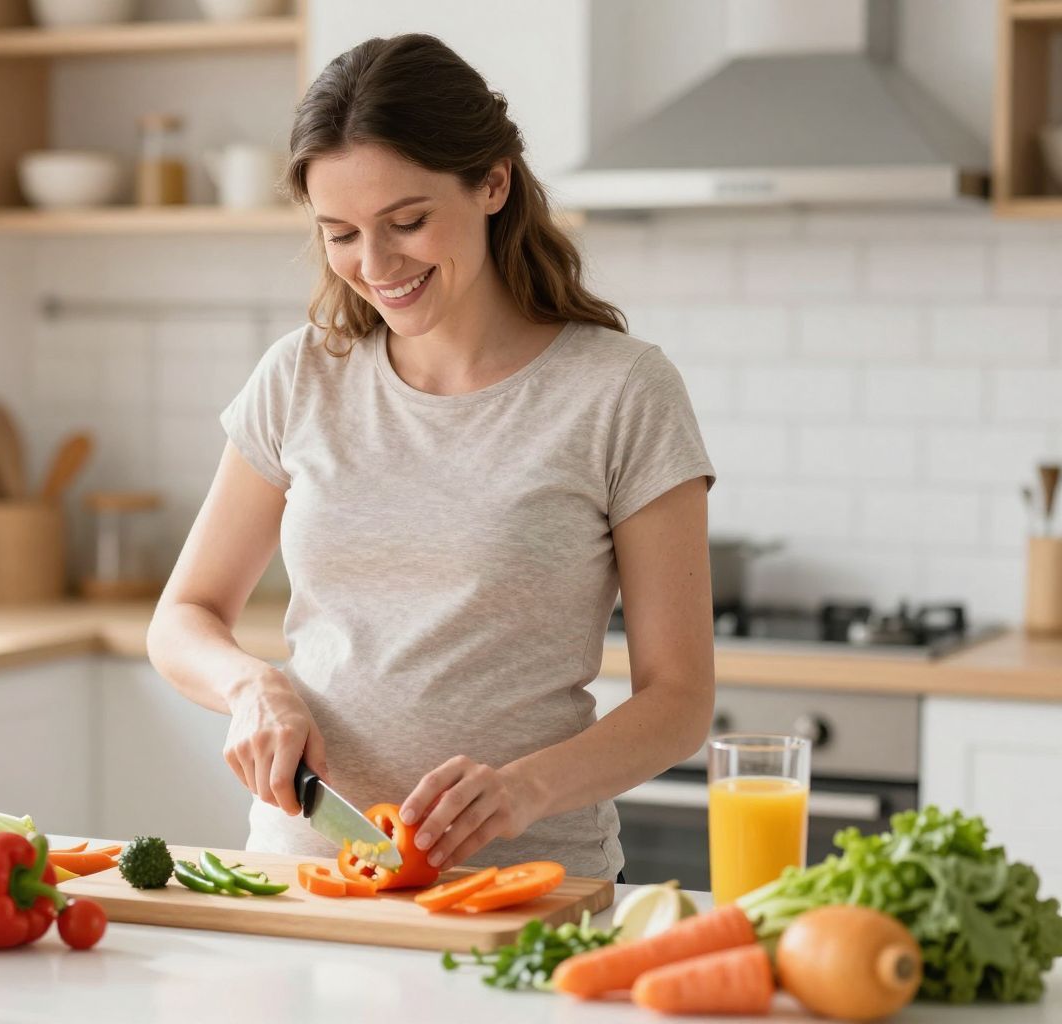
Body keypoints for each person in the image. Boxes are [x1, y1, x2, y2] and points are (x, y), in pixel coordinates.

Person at [145, 33, 715, 881]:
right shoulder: (301, 377)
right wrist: (250, 687)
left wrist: (522, 791)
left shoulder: (621, 392)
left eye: (407, 222)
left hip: (526, 889)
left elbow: (678, 701)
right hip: (309, 876)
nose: (375, 267)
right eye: (340, 233)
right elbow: (183, 616)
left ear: (492, 182)